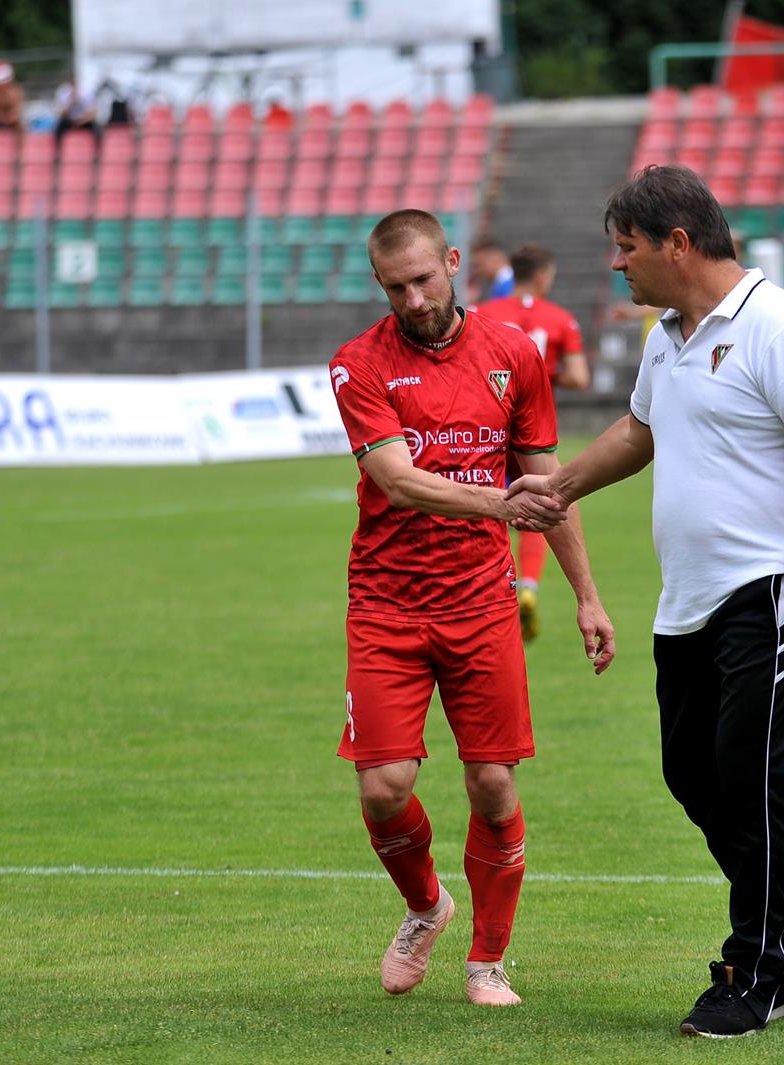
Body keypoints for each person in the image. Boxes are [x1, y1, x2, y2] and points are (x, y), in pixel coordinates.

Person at [508, 165, 784, 1038]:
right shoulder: (667, 336)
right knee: (691, 774)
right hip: (687, 603)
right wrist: (559, 487)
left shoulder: (781, 326)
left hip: (772, 595)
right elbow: (641, 430)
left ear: (676, 242)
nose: (616, 265)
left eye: (626, 248)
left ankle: (756, 969)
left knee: (753, 782)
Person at [328, 209, 616, 1008]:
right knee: (383, 787)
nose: (414, 299)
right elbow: (396, 481)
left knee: (492, 782)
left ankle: (487, 960)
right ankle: (426, 906)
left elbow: (549, 484)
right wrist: (498, 503)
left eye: (424, 279)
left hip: (481, 601)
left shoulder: (513, 354)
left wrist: (587, 596)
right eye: (396, 287)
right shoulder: (358, 364)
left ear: (453, 261)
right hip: (385, 601)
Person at [475, 243, 590, 642]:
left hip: (487, 428)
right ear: (543, 276)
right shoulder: (560, 318)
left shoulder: (482, 313)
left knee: (482, 504)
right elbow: (579, 377)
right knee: (539, 504)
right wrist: (541, 372)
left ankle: (489, 594)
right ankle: (528, 587)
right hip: (533, 431)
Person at [468, 239, 514, 304]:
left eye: (479, 264)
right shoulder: (500, 283)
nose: (477, 271)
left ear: (495, 258)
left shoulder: (509, 285)